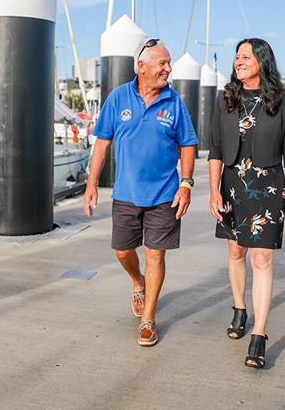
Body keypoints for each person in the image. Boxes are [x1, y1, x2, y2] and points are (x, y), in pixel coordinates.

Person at [84, 38, 198, 347]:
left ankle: (148, 319)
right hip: (126, 194)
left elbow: (188, 144)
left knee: (155, 255)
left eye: (169, 63)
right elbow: (102, 143)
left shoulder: (174, 102)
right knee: (123, 251)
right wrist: (92, 183)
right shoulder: (118, 98)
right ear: (141, 66)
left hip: (165, 194)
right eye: (162, 63)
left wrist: (186, 184)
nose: (168, 69)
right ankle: (138, 282)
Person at [208, 38, 285, 369]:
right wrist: (213, 191)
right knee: (236, 251)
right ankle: (239, 308)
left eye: (245, 56)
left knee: (262, 258)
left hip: (268, 188)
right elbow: (216, 149)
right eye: (236, 56)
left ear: (261, 61)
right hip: (232, 185)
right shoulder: (226, 99)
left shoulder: (284, 100)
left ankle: (260, 335)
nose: (238, 61)